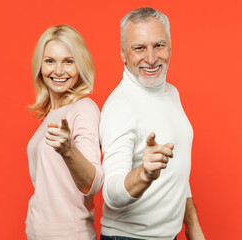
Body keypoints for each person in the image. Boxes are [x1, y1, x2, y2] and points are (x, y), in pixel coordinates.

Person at [99, 7, 205, 240]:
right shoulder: (121, 106)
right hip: (128, 237)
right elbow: (111, 193)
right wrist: (145, 174)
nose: (150, 58)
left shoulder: (171, 93)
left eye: (158, 45)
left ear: (170, 46)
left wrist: (193, 227)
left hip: (169, 235)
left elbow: (177, 171)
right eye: (139, 48)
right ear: (123, 54)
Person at [26, 25, 103, 240]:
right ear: (39, 67)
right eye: (50, 61)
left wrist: (68, 150)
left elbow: (94, 182)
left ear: (80, 66)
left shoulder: (83, 109)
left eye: (68, 61)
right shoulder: (52, 113)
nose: (58, 71)